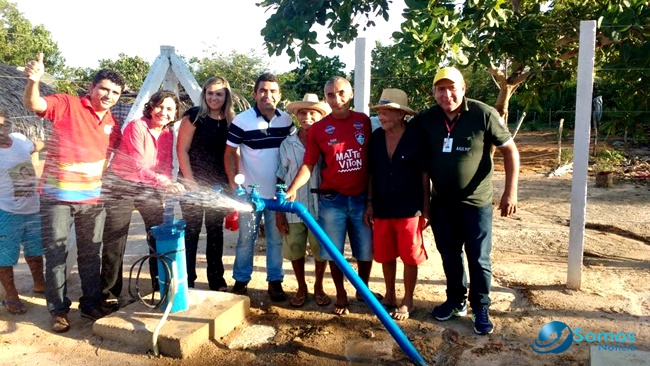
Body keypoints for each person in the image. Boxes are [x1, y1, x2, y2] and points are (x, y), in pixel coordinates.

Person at [411, 67, 520, 335]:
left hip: (476, 205)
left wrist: (510, 192)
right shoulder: (427, 120)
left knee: (478, 258)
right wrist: (425, 205)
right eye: (440, 89)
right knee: (449, 255)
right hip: (442, 204)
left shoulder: (483, 114)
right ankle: (456, 300)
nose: (447, 94)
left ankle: (480, 306)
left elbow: (510, 151)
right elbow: (397, 130)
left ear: (463, 88)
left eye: (452, 88)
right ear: (433, 92)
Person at [23, 53, 125, 333]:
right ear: (91, 88)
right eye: (104, 89)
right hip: (56, 198)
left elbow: (109, 154)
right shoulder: (67, 103)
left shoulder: (112, 124)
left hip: (91, 201)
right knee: (56, 254)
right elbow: (35, 104)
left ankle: (91, 304)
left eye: (115, 92)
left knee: (91, 254)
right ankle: (58, 310)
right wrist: (33, 81)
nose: (109, 95)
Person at [285, 76, 378, 316]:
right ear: (325, 97)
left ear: (351, 94)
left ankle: (363, 289)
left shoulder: (364, 122)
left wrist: (370, 201)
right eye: (330, 95)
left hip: (359, 199)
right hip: (331, 201)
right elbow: (308, 165)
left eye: (340, 93)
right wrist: (292, 188)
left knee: (365, 250)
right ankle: (341, 293)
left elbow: (371, 164)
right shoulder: (318, 129)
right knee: (334, 252)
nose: (336, 99)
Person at [100, 90, 185, 304]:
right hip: (122, 184)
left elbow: (166, 165)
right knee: (115, 239)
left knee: (158, 234)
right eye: (160, 107)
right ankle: (109, 293)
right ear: (151, 106)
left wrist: (165, 185)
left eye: (169, 109)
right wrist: (164, 182)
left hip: (150, 185)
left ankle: (161, 284)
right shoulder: (137, 126)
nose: (163, 112)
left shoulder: (167, 133)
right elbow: (138, 165)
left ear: (175, 113)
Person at [224, 73, 293, 301]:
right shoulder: (241, 121)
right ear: (255, 94)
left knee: (276, 240)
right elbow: (229, 153)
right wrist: (235, 186)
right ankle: (241, 281)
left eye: (273, 91)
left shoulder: (287, 121)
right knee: (246, 239)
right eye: (263, 90)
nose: (268, 95)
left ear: (279, 95)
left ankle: (275, 282)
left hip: (277, 195)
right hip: (250, 196)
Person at [363, 89, 429, 321]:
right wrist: (369, 202)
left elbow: (424, 174)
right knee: (385, 254)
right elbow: (371, 173)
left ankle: (408, 299)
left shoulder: (416, 136)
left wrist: (426, 208)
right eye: (379, 111)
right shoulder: (377, 138)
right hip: (381, 206)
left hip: (409, 208)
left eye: (386, 111)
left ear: (401, 114)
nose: (381, 116)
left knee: (410, 255)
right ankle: (390, 295)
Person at [177, 76, 235, 291]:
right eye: (210, 93)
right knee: (191, 231)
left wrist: (230, 184)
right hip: (191, 183)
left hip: (217, 185)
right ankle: (187, 279)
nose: (214, 97)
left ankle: (216, 279)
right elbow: (181, 149)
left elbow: (232, 154)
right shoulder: (193, 116)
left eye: (219, 93)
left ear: (226, 96)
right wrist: (190, 182)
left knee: (215, 231)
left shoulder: (230, 121)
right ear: (204, 94)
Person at [275, 93, 331, 308]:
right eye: (302, 112)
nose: (307, 116)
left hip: (320, 207)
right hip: (293, 206)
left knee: (320, 250)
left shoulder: (326, 141)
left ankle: (318, 286)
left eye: (312, 113)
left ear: (320, 116)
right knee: (295, 248)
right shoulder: (287, 144)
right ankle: (301, 286)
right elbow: (280, 175)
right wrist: (279, 211)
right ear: (296, 116)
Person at [0, 109, 45, 315]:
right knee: (5, 256)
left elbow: (35, 145)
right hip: (6, 211)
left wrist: (46, 145)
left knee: (35, 250)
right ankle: (11, 294)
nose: (2, 127)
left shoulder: (19, 139)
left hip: (32, 208)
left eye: (5, 122)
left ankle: (39, 284)